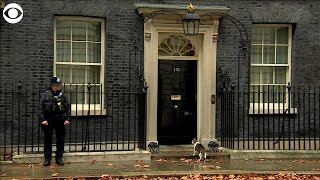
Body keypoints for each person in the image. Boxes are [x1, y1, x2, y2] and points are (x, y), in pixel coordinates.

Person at [38, 76, 70, 166]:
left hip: (60, 119)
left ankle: (59, 158)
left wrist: (68, 119)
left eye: (59, 85)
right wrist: (43, 119)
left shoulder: (63, 95)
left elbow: (68, 107)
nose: (57, 87)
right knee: (48, 140)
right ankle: (47, 159)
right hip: (49, 119)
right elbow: (40, 108)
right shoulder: (45, 95)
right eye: (56, 85)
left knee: (60, 139)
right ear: (52, 85)